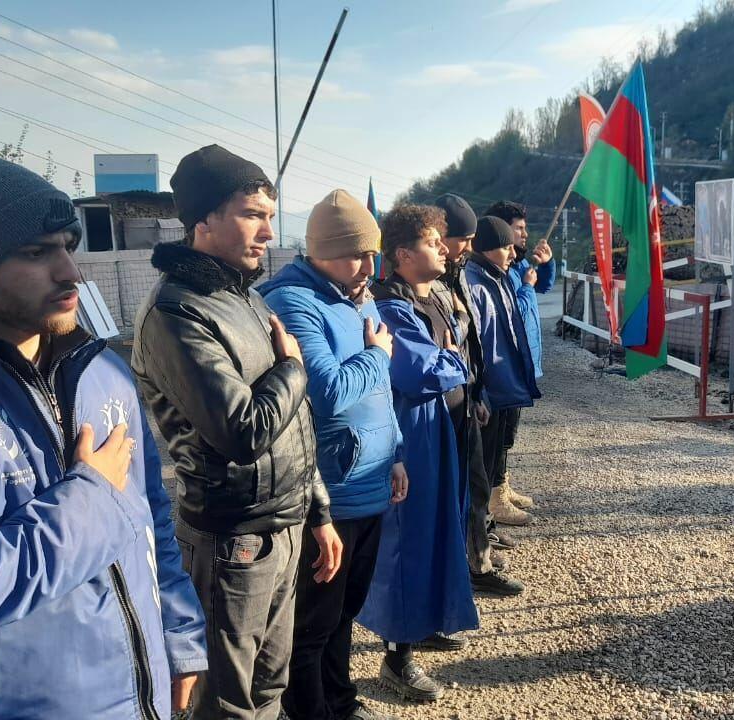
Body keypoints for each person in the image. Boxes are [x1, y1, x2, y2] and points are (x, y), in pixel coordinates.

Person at [0, 157, 206, 719]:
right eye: (36, 252)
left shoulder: (104, 374)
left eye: (68, 246)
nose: (70, 271)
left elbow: (151, 520)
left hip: (131, 699)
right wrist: (91, 498)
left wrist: (177, 634)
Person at [131, 144, 339, 720]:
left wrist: (318, 512)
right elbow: (243, 431)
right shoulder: (176, 313)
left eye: (270, 216)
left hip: (283, 527)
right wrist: (293, 368)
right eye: (253, 215)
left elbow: (295, 425)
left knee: (270, 687)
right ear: (203, 219)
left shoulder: (243, 297)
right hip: (233, 543)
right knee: (227, 704)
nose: (268, 232)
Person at [259, 189, 406, 720]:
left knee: (346, 611)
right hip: (330, 490)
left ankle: (340, 703)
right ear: (320, 251)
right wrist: (378, 354)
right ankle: (311, 710)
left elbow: (378, 393)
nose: (368, 267)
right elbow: (325, 391)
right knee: (313, 623)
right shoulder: (293, 302)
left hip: (370, 480)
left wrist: (396, 450)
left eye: (372, 254)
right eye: (355, 255)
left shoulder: (357, 295)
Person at [360, 204, 479, 702]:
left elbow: (450, 358)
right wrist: (452, 361)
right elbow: (418, 371)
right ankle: (397, 656)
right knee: (408, 540)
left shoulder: (428, 299)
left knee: (438, 531)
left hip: (439, 431)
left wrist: (450, 359)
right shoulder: (390, 306)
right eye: (432, 242)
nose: (443, 249)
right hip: (412, 435)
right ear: (404, 254)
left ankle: (425, 621)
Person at [433, 194, 524, 597]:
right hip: (448, 405)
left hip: (470, 396)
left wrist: (478, 391)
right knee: (466, 484)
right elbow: (447, 347)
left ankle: (475, 556)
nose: (467, 248)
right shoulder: (449, 281)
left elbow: (472, 344)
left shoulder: (458, 278)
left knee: (477, 480)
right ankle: (471, 564)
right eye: (463, 239)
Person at [483, 200, 553, 524]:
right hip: (507, 366)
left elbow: (544, 287)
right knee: (499, 435)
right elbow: (515, 315)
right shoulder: (501, 274)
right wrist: (526, 286)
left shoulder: (517, 265)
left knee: (508, 434)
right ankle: (494, 495)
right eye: (519, 229)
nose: (524, 235)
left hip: (522, 363)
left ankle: (502, 485)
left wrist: (544, 265)